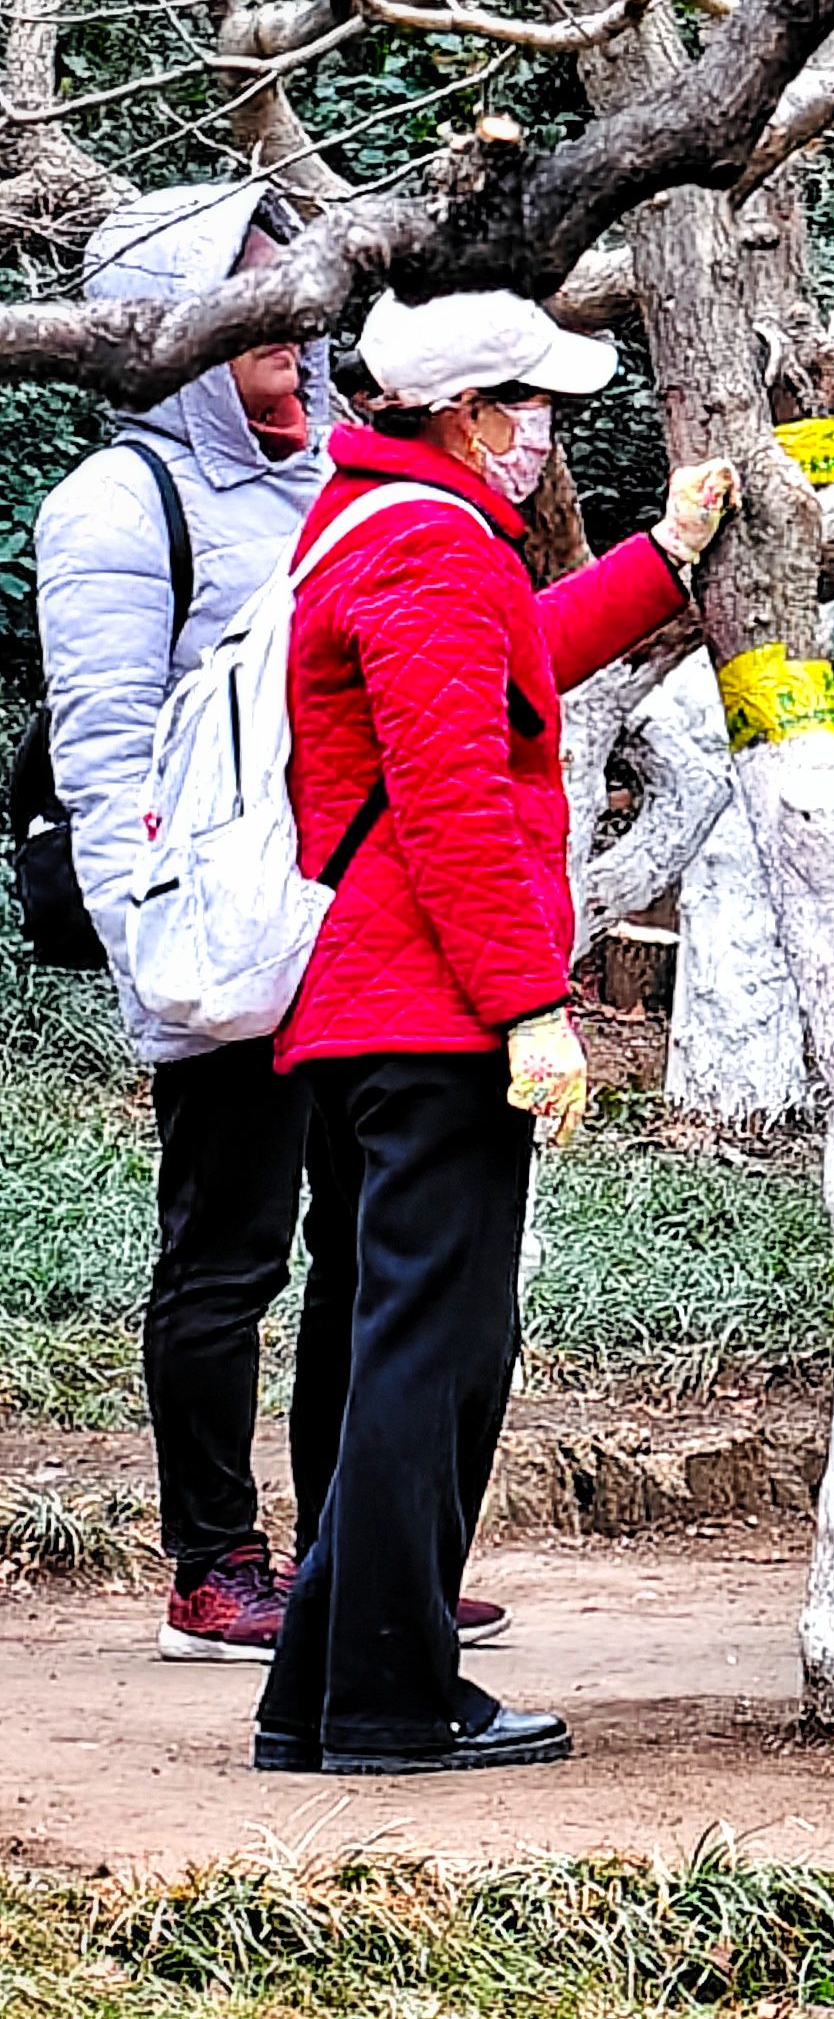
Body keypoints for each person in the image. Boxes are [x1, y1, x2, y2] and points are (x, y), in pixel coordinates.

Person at [251, 290, 735, 1778]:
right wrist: (529, 1004)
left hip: (372, 1004)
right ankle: (393, 1698)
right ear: (467, 415)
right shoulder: (430, 545)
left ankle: (322, 1698)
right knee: (433, 1358)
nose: (546, 434)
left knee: (391, 1339)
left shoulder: (380, 519)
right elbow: (455, 793)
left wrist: (659, 562)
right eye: (534, 406)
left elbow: (509, 664)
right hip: (433, 1007)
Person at [32, 180, 377, 1662]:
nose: (294, 351)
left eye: (300, 321)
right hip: (219, 940)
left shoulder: (331, 481)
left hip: (350, 930)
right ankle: (212, 1563)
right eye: (256, 326)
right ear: (177, 330)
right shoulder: (117, 504)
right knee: (227, 1258)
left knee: (366, 1247)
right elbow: (104, 753)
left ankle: (349, 1549)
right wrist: (152, 954)